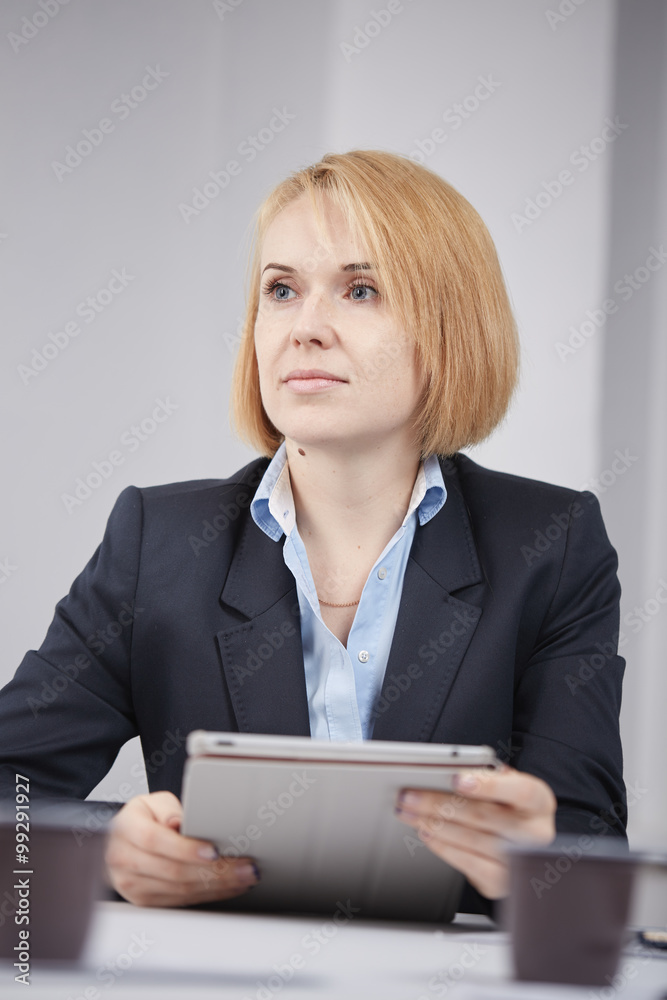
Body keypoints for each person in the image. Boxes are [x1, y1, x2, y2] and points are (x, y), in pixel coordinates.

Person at [0, 150, 626, 914]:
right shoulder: (155, 544)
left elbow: (592, 848)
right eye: (281, 290)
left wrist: (536, 861)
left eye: (360, 290)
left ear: (450, 327)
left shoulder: (552, 546)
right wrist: (106, 852)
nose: (305, 329)